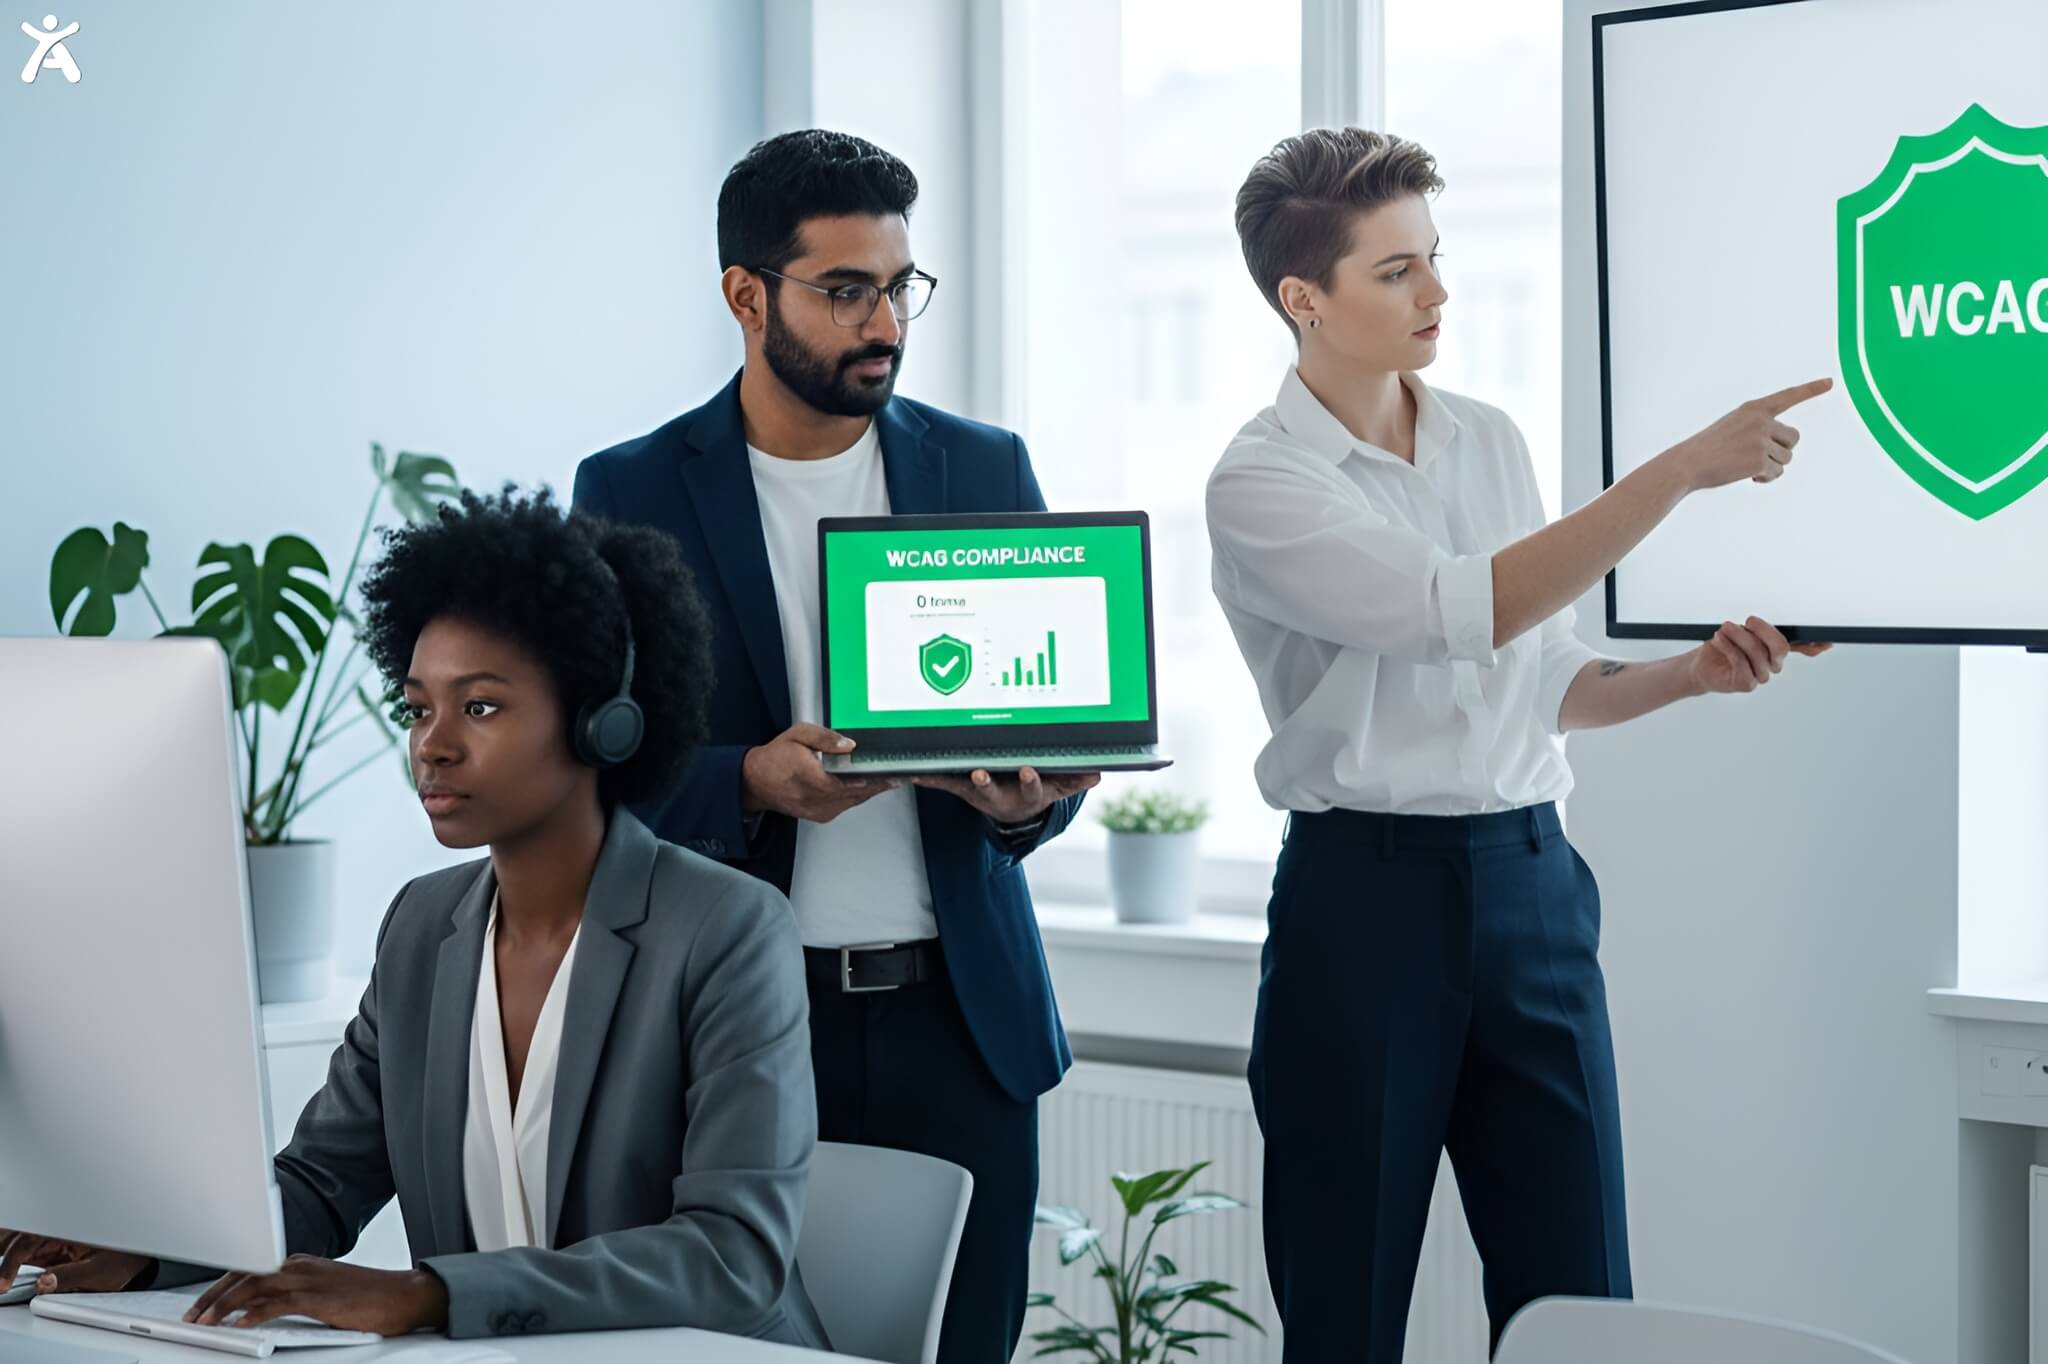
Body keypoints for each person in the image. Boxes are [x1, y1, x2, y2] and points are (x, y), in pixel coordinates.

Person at [1208, 127, 1834, 1362]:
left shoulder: (1485, 437)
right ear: (1303, 299)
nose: (1437, 293)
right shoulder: (1259, 482)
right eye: (1395, 272)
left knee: (1582, 1301)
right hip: (1362, 906)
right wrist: (1681, 472)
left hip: (1532, 890)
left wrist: (1688, 676)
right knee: (1342, 1309)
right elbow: (1464, 609)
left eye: (1432, 258)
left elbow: (1536, 676)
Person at [0, 488, 830, 1348]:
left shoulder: (727, 929)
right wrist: (149, 1252)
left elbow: (732, 1258)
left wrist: (430, 1295)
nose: (432, 743)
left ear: (601, 725)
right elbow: (321, 1184)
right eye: (416, 707)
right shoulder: (422, 928)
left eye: (479, 707)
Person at [573, 128, 1096, 1363]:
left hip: (956, 1022)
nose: (885, 322)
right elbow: (588, 759)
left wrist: (1029, 804)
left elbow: (1042, 735)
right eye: (845, 289)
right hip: (736, 1022)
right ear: (745, 295)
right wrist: (745, 779)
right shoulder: (630, 489)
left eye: (898, 286)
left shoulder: (981, 465)